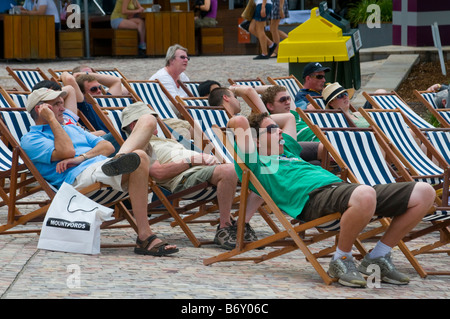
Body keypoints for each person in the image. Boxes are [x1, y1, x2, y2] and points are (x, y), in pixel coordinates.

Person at [228, 112, 435, 287]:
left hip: (345, 191)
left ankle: (379, 256)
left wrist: (267, 122)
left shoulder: (288, 149)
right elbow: (238, 122)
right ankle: (341, 259)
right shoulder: (254, 160)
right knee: (365, 193)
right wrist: (246, 107)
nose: (280, 131)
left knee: (424, 192)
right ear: (254, 140)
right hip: (312, 199)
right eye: (273, 130)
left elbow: (290, 117)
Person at [20, 88, 178, 256]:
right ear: (41, 109)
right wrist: (51, 119)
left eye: (62, 103)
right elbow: (66, 152)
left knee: (147, 120)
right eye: (57, 104)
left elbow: (107, 146)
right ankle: (145, 236)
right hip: (77, 181)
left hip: (101, 168)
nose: (63, 108)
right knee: (140, 157)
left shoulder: (72, 128)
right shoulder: (31, 139)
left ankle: (121, 160)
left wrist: (83, 157)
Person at [120, 102, 258, 250]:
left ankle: (241, 224)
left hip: (204, 170)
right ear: (135, 125)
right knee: (229, 171)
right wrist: (192, 161)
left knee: (264, 171)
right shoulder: (140, 146)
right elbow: (159, 173)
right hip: (184, 178)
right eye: (150, 120)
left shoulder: (164, 139)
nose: (155, 123)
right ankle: (224, 227)